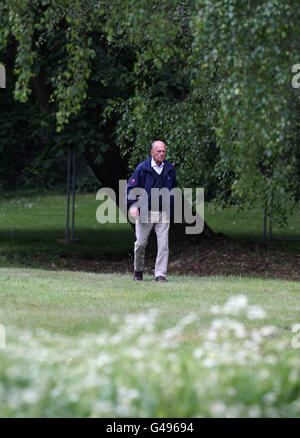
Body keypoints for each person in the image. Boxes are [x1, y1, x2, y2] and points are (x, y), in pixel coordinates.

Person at [126, 141, 178, 282]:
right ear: (152, 152)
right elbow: (131, 188)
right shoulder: (142, 168)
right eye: (159, 151)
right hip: (145, 211)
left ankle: (160, 274)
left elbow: (174, 189)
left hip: (163, 212)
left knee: (163, 245)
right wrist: (133, 205)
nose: (162, 154)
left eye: (164, 151)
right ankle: (138, 270)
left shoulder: (170, 168)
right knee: (140, 244)